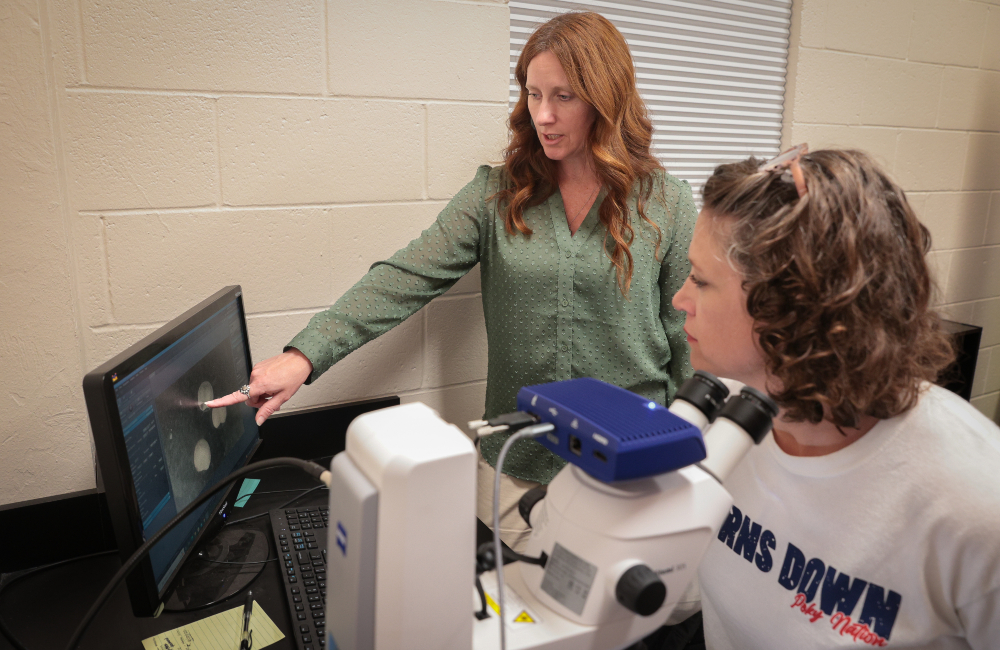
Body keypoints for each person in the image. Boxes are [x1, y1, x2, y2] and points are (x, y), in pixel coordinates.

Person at [208, 12, 697, 550]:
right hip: (517, 467)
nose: (544, 115)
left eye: (565, 96)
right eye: (533, 94)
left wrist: (692, 456)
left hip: (633, 463)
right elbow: (405, 276)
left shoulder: (666, 203)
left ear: (606, 99)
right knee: (514, 620)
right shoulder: (497, 195)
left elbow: (688, 337)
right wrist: (304, 356)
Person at [669, 146, 1000, 648]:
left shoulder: (975, 505)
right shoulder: (727, 420)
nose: (679, 300)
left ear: (790, 304)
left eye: (700, 279)